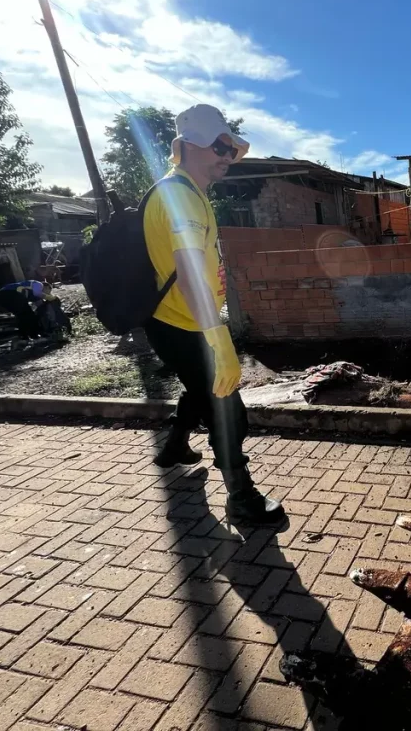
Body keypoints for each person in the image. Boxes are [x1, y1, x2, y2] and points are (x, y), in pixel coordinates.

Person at [142, 103, 284, 525]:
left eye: (231, 148)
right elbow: (188, 276)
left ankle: (174, 447)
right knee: (227, 409)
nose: (228, 155)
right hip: (184, 324)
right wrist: (219, 339)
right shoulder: (181, 196)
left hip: (180, 322)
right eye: (219, 146)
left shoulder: (186, 190)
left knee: (200, 389)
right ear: (188, 146)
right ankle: (242, 498)